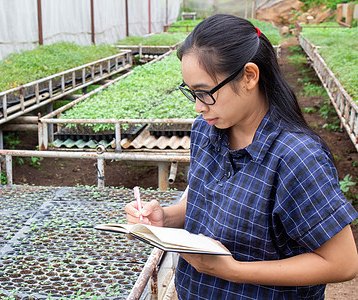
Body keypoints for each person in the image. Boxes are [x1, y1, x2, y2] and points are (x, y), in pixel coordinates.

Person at [125, 14, 358, 299]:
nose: (198, 107)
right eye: (191, 93)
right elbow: (206, 201)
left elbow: (342, 263)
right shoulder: (207, 131)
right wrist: (166, 217)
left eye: (205, 93)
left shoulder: (295, 157)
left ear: (249, 76)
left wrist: (233, 270)